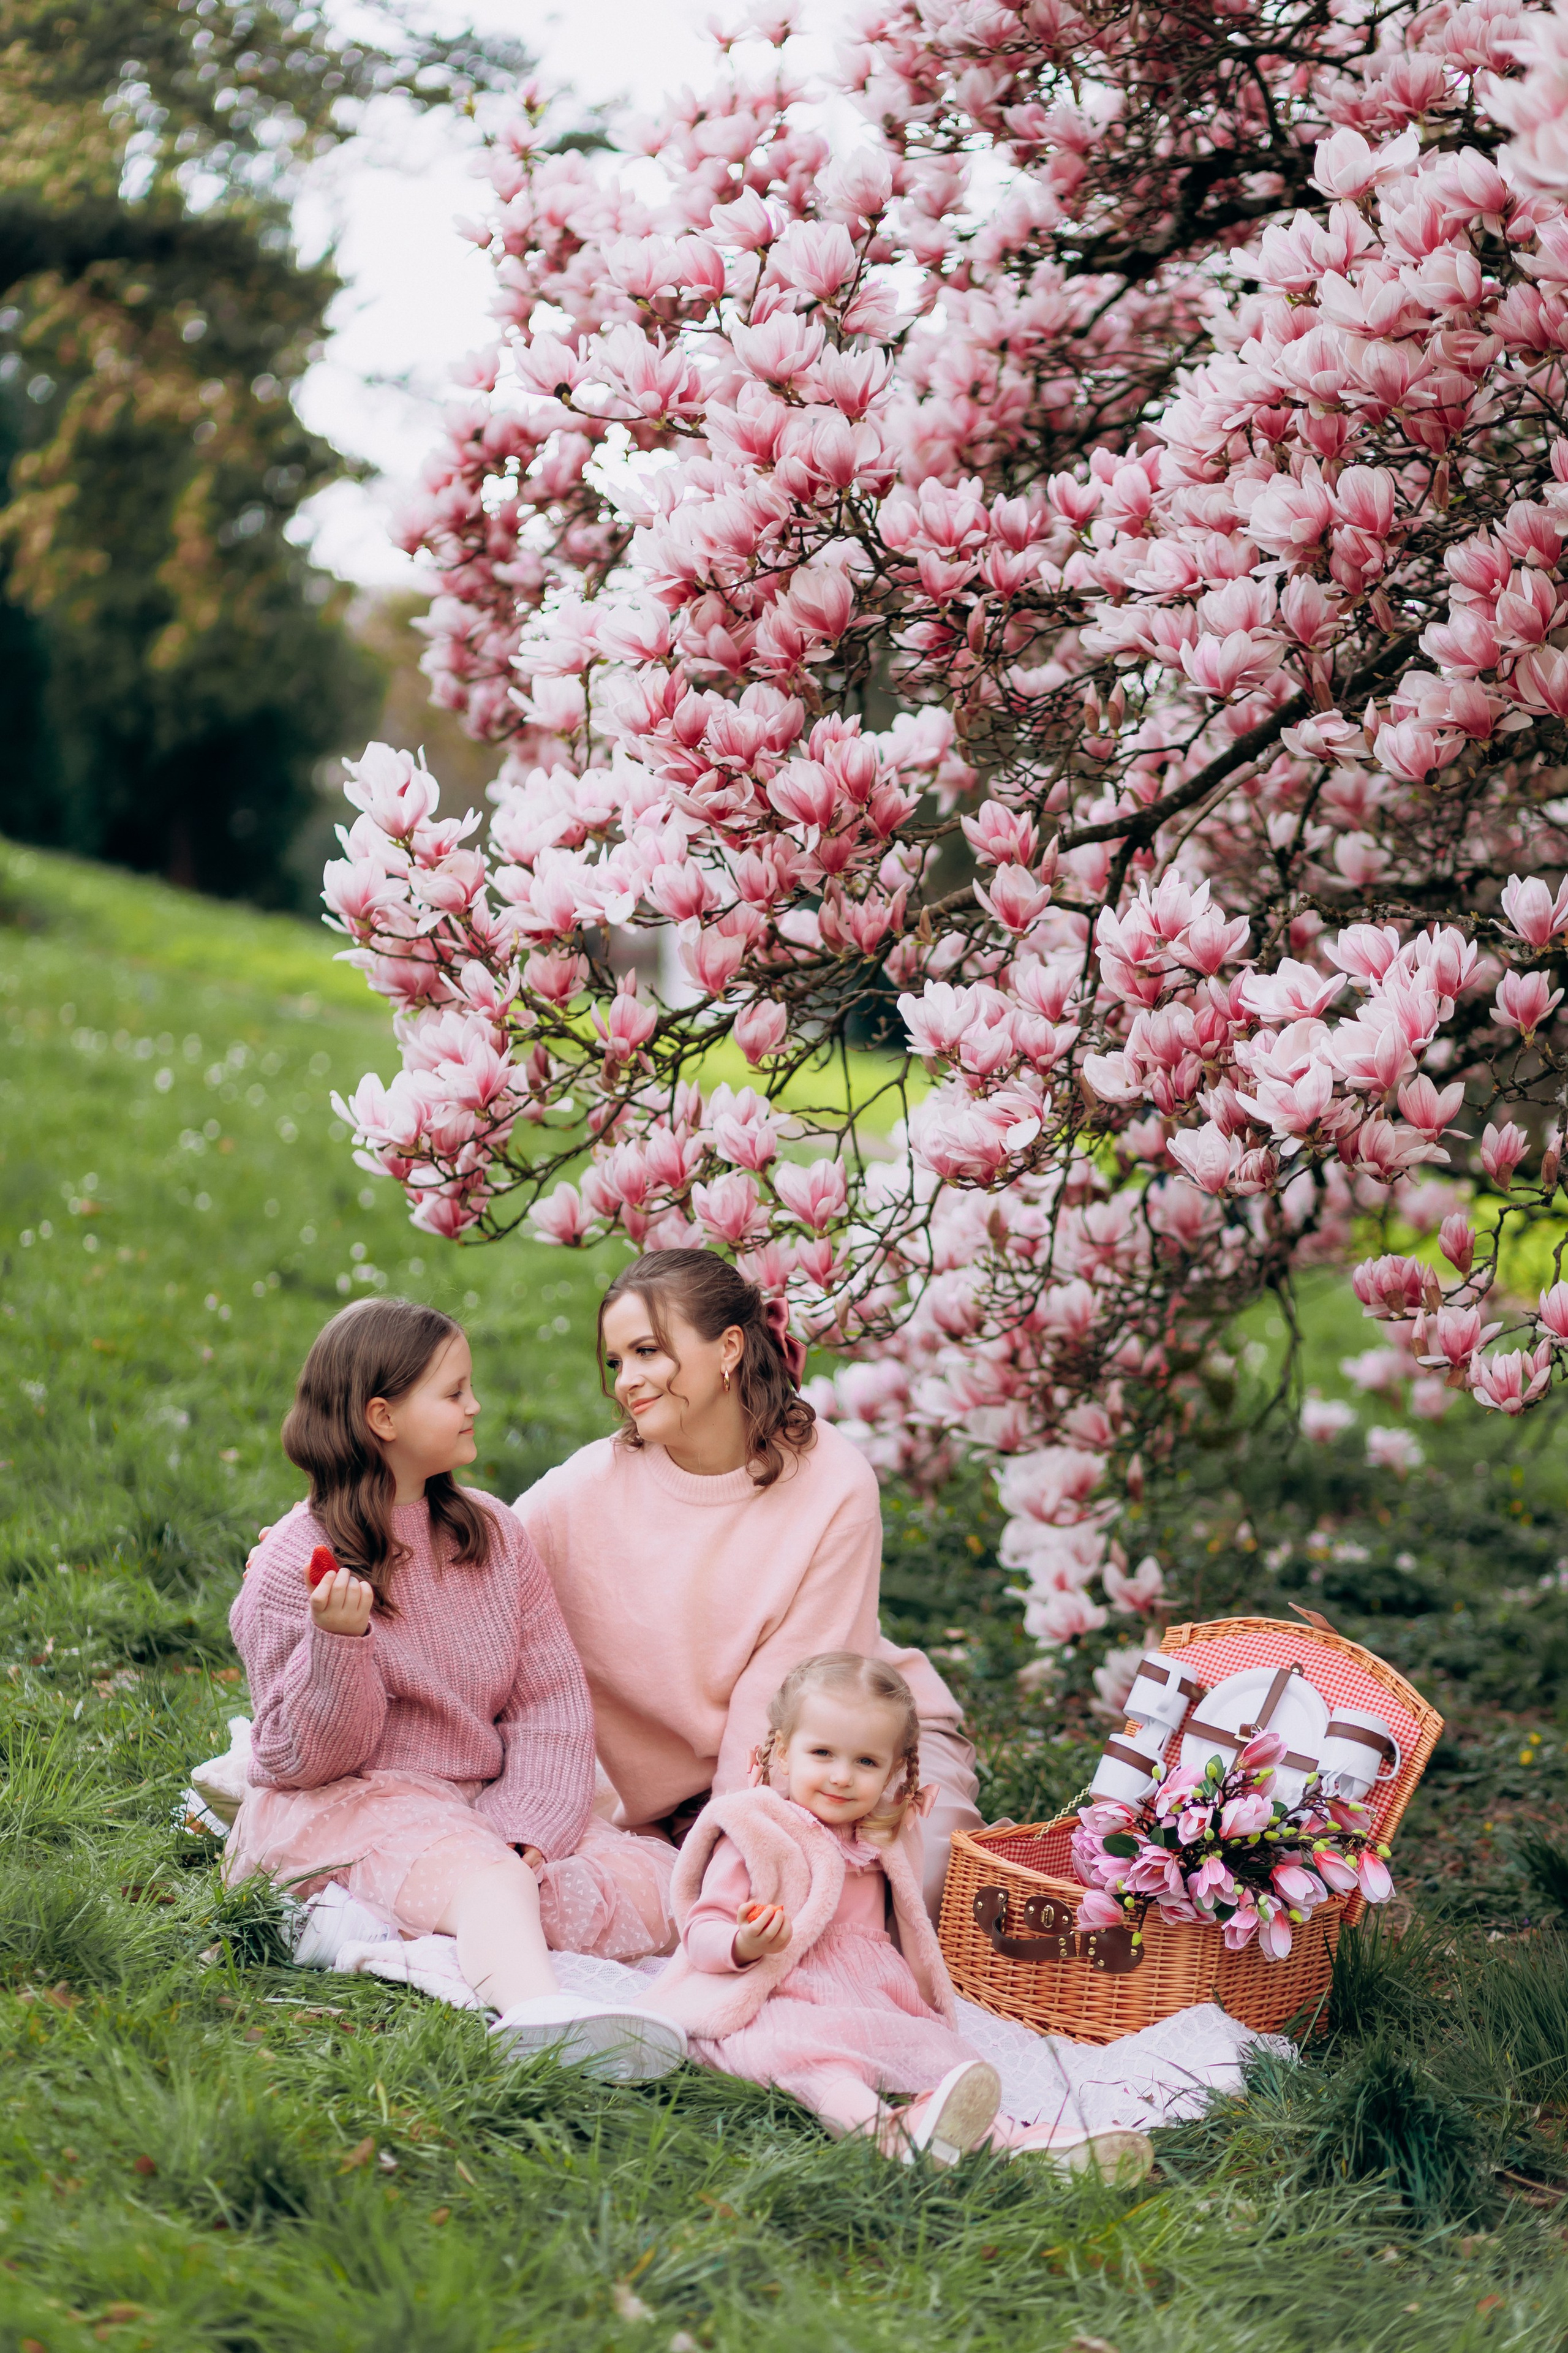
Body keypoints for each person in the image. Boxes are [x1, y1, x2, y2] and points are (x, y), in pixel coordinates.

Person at [225, 1296, 685, 2081]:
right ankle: (537, 2014)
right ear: (383, 1417)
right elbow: (302, 1757)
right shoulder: (291, 1565)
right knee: (491, 1882)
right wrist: (339, 1644)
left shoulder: (494, 1534)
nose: (476, 1406)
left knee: (661, 1885)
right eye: (453, 1392)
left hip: (478, 1798)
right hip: (351, 1799)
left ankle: (395, 1928)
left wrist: (526, 1828)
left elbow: (549, 1701)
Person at [514, 1250, 984, 1952]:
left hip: (844, 1746)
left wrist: (737, 1856)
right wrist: (337, 1541)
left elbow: (787, 1703)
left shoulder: (833, 1482)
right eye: (616, 1361)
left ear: (729, 1347)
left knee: (890, 1897)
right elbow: (470, 1558)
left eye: (648, 1351)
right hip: (676, 1789)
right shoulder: (587, 1488)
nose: (628, 1382)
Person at [642, 1653, 1154, 2173]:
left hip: (869, 1993)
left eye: (866, 1762)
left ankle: (1021, 2142)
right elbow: (702, 1928)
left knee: (942, 2059)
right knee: (815, 2059)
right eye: (822, 1752)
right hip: (778, 1989)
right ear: (784, 1753)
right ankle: (888, 2136)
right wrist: (746, 1941)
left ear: (893, 1770)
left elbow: (902, 1930)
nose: (842, 1776)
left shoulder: (880, 1840)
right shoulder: (760, 1830)